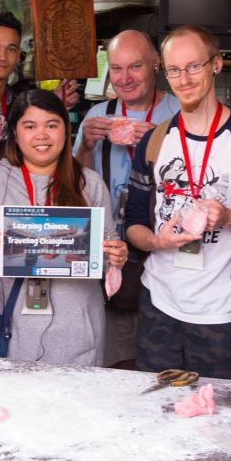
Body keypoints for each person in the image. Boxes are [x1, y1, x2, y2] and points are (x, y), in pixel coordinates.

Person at [124, 25, 231, 380]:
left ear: (216, 64)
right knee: (153, 408)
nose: (184, 79)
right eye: (174, 70)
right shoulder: (153, 142)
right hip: (158, 304)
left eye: (193, 66)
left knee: (216, 417)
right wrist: (157, 241)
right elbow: (133, 223)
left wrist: (230, 217)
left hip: (220, 312)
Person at [0, 89, 127, 366]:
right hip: (13, 331)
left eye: (52, 125)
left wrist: (115, 257)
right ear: (15, 132)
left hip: (78, 333)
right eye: (30, 126)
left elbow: (108, 255)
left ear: (66, 129)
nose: (42, 135)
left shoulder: (89, 183)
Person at [73, 30, 180, 368]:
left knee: (160, 351)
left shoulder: (180, 113)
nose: (125, 78)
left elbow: (201, 183)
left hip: (165, 248)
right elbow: (75, 188)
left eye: (135, 66)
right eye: (117, 69)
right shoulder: (96, 115)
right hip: (110, 248)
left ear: (156, 64)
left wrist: (163, 145)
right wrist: (86, 148)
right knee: (113, 351)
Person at [0, 9, 79, 172]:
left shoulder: (24, 101)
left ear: (18, 54)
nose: (2, 57)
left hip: (17, 194)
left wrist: (54, 106)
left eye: (11, 49)